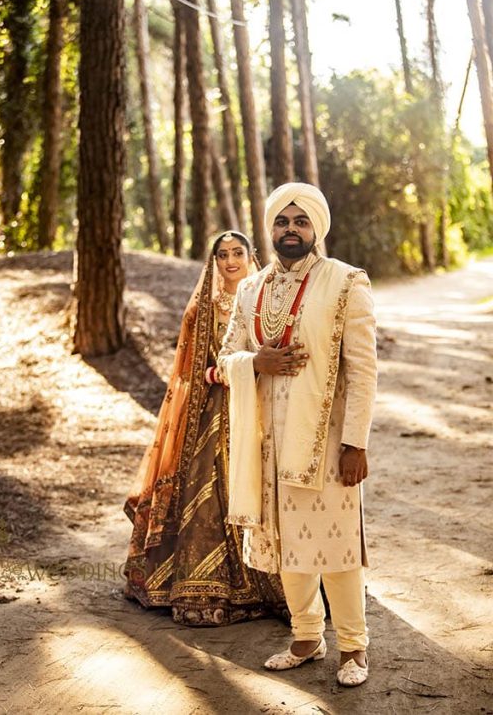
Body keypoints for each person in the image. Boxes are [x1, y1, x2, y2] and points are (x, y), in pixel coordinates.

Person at [217, 183, 377, 687]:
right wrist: (254, 362)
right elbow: (224, 361)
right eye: (282, 222)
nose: (291, 230)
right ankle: (306, 635)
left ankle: (354, 646)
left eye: (300, 221)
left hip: (326, 441)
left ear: (317, 229)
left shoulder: (346, 282)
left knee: (336, 544)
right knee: (286, 542)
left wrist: (356, 443)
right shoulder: (250, 289)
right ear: (271, 228)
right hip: (266, 440)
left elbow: (363, 369)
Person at [124, 230, 286, 626]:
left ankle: (286, 585)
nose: (230, 261)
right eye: (222, 255)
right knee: (210, 494)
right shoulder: (203, 311)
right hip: (216, 409)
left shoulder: (267, 300)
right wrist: (235, 371)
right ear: (213, 262)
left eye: (237, 253)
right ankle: (208, 587)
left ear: (251, 257)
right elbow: (188, 375)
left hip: (264, 406)